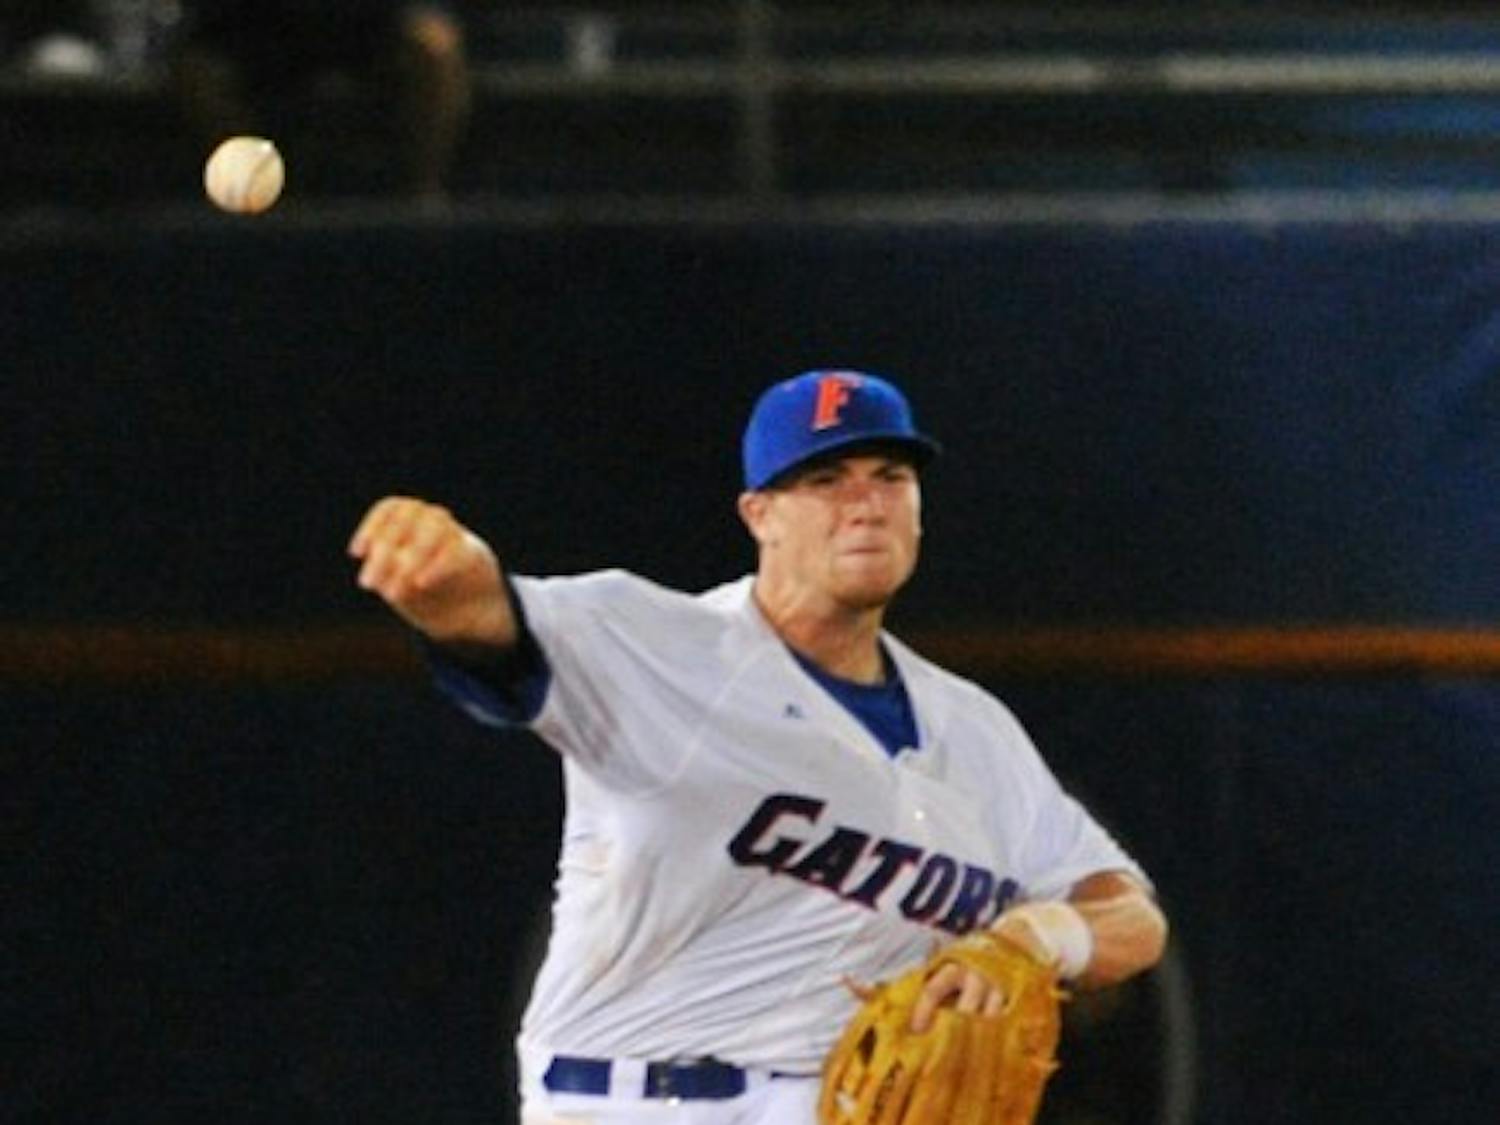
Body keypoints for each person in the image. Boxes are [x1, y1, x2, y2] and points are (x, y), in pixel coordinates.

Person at [348, 369, 1169, 1123]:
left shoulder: (974, 729)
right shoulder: (665, 643)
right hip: (634, 1102)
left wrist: (1034, 937)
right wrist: (449, 581)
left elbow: (1130, 912)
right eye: (824, 480)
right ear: (759, 514)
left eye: (891, 476)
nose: (865, 502)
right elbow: (495, 622)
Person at [169, 1, 471, 201]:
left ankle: (422, 198)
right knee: (197, 72)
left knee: (434, 47)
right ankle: (252, 192)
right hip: (261, 24)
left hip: (364, 19)